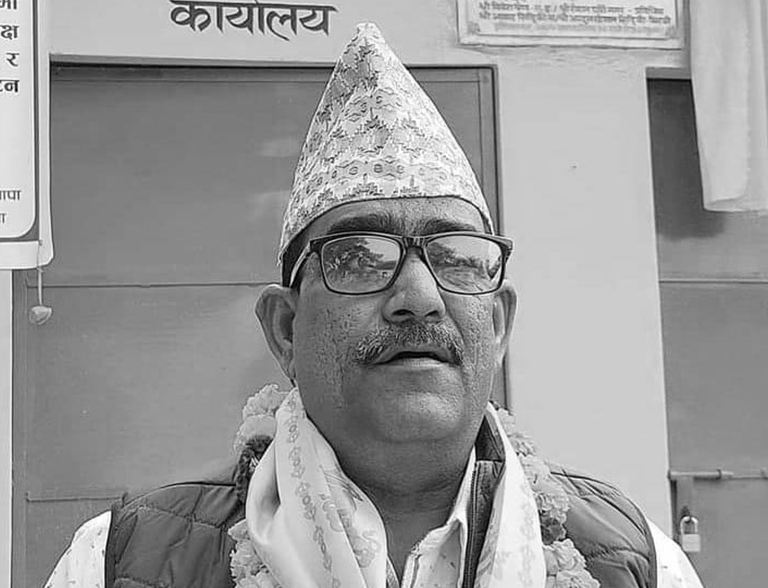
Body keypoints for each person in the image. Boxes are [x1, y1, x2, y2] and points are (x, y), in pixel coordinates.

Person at [44, 23, 703, 588]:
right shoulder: (124, 561)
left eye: (455, 257)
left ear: (498, 324)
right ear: (285, 330)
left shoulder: (632, 561)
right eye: (359, 256)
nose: (418, 297)